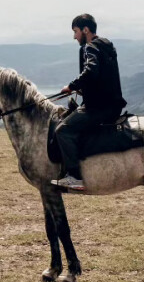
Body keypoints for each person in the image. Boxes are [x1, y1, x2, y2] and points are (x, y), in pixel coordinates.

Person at [51, 14, 126, 191]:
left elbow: (91, 71)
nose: (74, 36)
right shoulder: (106, 46)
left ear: (85, 30)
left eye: (76, 31)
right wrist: (83, 89)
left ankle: (75, 177)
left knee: (62, 130)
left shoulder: (90, 47)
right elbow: (101, 78)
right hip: (113, 105)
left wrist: (71, 86)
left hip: (99, 108)